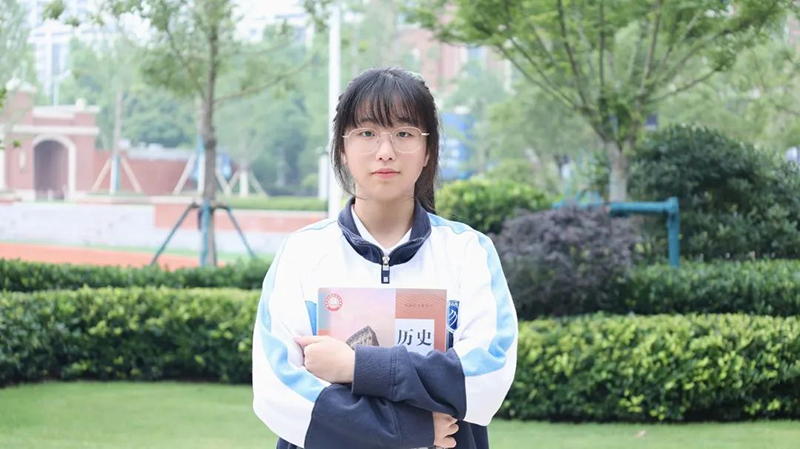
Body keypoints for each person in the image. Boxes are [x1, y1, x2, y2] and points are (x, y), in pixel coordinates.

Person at [251, 67, 518, 449]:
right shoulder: (302, 253)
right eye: (367, 133)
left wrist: (356, 365)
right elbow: (278, 392)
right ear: (342, 149)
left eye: (404, 133)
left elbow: (486, 378)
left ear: (428, 151)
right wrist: (411, 427)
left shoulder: (468, 253)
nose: (385, 151)